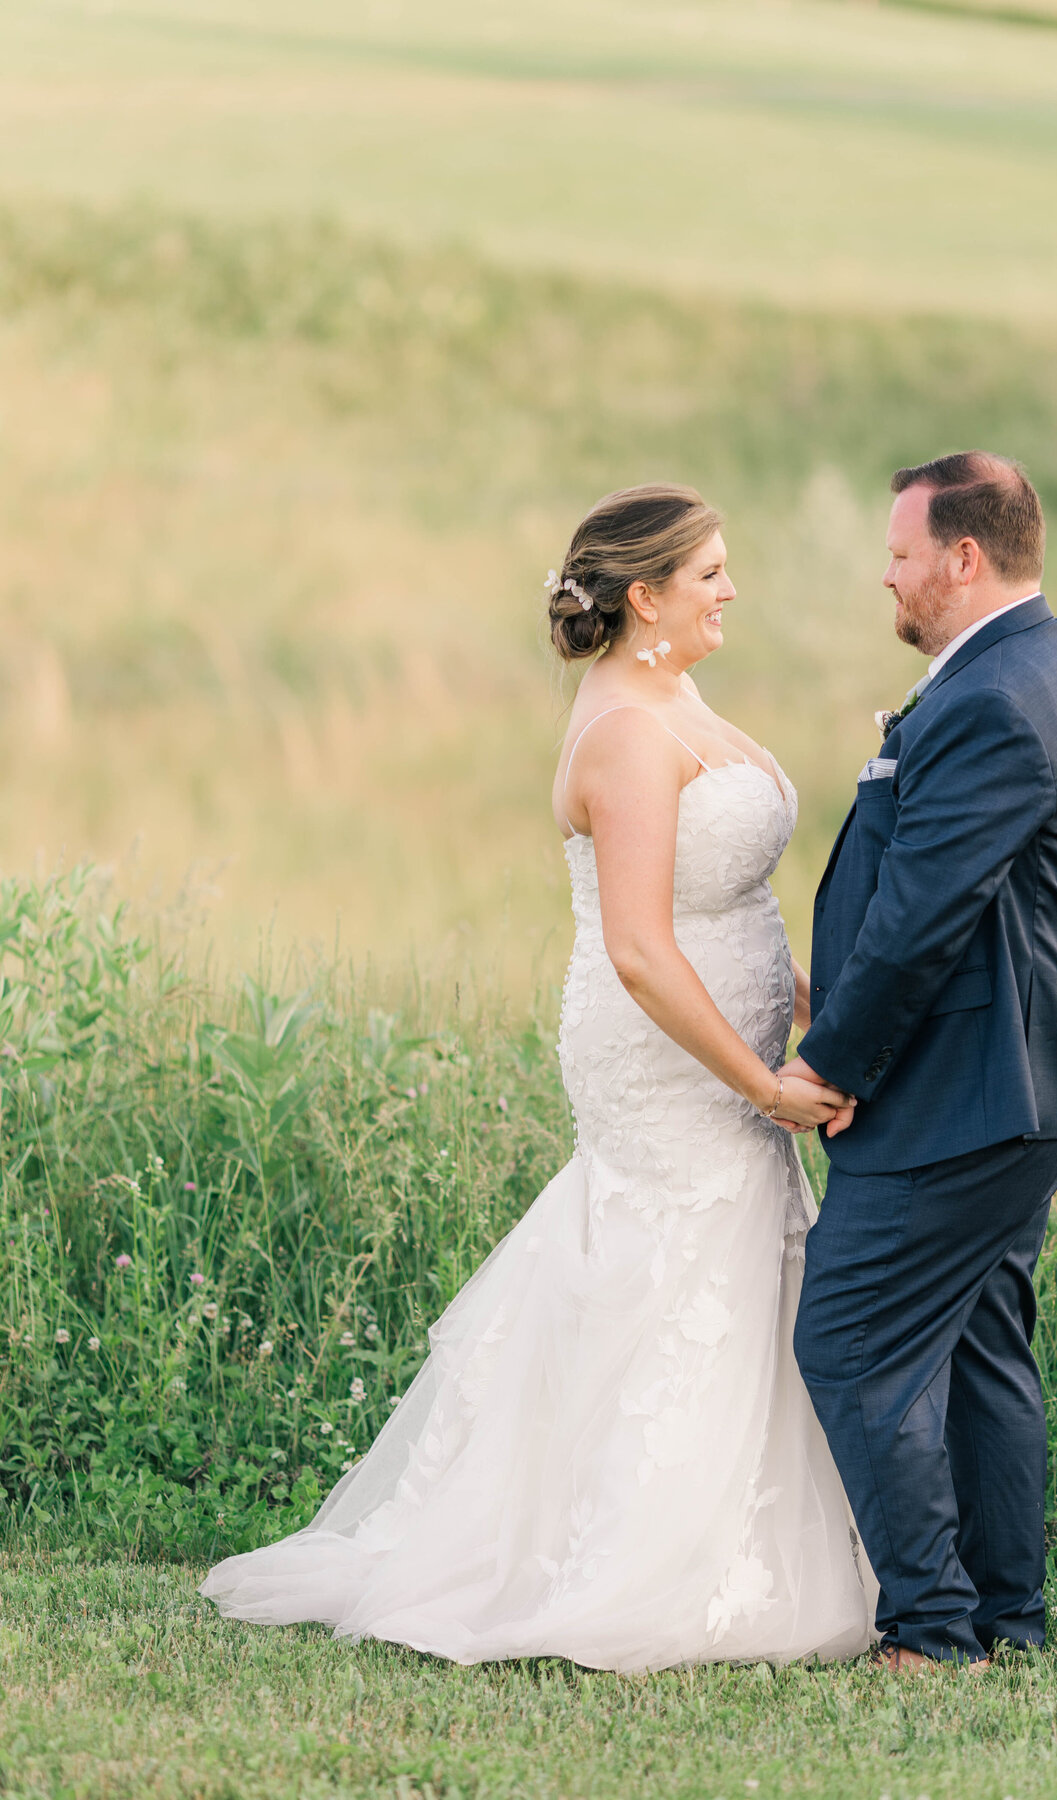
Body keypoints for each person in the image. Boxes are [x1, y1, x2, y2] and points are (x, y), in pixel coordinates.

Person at [200, 484, 877, 1670]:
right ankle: (631, 1555)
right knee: (671, 1257)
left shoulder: (674, 692)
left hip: (735, 1038)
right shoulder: (621, 732)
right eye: (710, 572)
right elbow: (638, 948)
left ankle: (761, 1533)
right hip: (660, 1057)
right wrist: (764, 1087)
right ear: (645, 595)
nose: (730, 590)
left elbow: (738, 902)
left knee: (732, 1256)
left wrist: (811, 1019)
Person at [785, 452, 1057, 1671]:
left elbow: (925, 916)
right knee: (979, 1346)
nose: (888, 573)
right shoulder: (1036, 663)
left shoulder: (991, 696)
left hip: (965, 1088)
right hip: (1018, 1077)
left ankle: (932, 1631)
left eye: (900, 553)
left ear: (963, 558)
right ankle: (1009, 1621)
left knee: (850, 1335)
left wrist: (833, 1064)